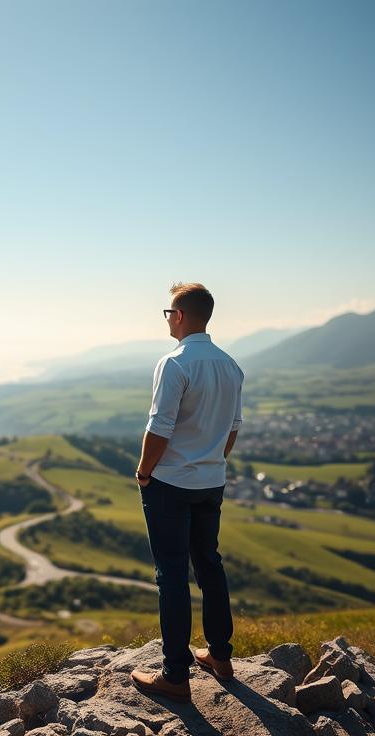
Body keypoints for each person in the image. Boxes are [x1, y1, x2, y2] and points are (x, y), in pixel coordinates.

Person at [129, 282, 244, 704]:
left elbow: (158, 429)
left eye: (168, 313)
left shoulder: (174, 363)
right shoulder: (231, 366)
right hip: (211, 481)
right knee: (209, 565)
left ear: (178, 316)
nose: (168, 320)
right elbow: (232, 429)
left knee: (172, 575)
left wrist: (144, 473)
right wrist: (211, 459)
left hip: (171, 484)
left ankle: (175, 675)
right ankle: (219, 656)